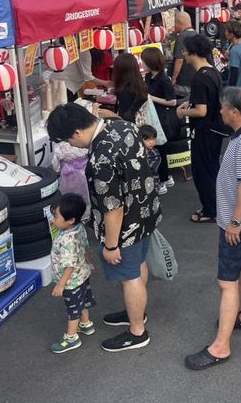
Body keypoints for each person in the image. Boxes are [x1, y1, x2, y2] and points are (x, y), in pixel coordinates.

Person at [46, 103, 160, 353]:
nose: (72, 145)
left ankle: (137, 332)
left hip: (125, 225)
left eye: (68, 140)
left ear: (77, 132)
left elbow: (113, 208)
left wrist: (110, 246)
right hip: (146, 210)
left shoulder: (101, 157)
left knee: (129, 277)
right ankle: (136, 313)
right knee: (138, 264)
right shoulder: (124, 126)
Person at [184, 87, 241, 371]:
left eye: (223, 107)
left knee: (226, 282)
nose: (219, 111)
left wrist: (235, 222)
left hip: (238, 221)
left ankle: (221, 346)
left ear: (234, 111)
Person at [177, 35, 228, 224]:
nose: (183, 53)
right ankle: (216, 206)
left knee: (202, 172)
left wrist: (182, 112)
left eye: (185, 50)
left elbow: (201, 111)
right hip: (215, 130)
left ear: (193, 52)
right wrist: (189, 105)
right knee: (212, 170)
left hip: (204, 131)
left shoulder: (199, 78)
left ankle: (210, 210)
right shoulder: (212, 71)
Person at [49, 193, 96, 354]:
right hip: (82, 274)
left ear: (70, 220)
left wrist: (60, 285)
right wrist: (89, 261)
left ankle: (71, 338)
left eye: (56, 217)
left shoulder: (66, 240)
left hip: (71, 282)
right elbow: (85, 246)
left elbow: (69, 265)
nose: (53, 219)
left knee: (73, 309)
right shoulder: (79, 227)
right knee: (82, 301)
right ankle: (86, 324)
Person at [141, 47, 177, 191]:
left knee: (160, 149)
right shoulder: (148, 77)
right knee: (155, 149)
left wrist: (152, 98)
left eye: (144, 61)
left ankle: (163, 179)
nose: (142, 63)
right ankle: (164, 177)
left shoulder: (163, 79)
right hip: (152, 116)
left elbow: (173, 101)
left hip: (161, 118)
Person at [93, 52, 147, 123]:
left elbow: (125, 116)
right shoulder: (138, 82)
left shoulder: (126, 90)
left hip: (128, 122)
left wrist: (109, 114)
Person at [51, 141, 90, 219]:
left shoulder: (60, 147)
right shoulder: (83, 143)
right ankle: (85, 214)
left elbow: (56, 165)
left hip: (67, 177)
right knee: (85, 195)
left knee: (67, 195)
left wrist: (58, 169)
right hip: (83, 174)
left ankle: (68, 214)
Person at [171, 11, 197, 96]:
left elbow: (179, 60)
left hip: (183, 79)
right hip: (195, 76)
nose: (175, 25)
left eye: (175, 22)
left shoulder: (182, 36)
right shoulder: (197, 34)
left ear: (179, 22)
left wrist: (174, 78)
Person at [138, 125, 162, 195]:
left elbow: (150, 167)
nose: (151, 142)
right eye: (147, 140)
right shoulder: (137, 152)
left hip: (153, 182)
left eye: (153, 139)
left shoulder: (154, 152)